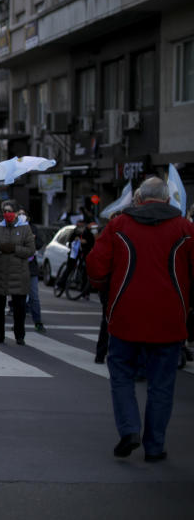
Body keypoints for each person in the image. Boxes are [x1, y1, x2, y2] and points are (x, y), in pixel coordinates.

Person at [87, 177, 194, 462]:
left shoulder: (120, 225)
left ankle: (129, 430)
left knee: (121, 375)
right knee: (162, 384)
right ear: (168, 199)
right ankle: (155, 446)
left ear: (139, 199)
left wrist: (104, 288)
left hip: (125, 315)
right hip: (170, 320)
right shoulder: (185, 228)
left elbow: (96, 266)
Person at [0, 200, 36, 345]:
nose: (7, 214)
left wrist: (15, 249)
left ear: (15, 213)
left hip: (19, 275)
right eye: (5, 211)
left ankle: (20, 335)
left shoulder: (25, 229)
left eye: (10, 211)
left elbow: (30, 251)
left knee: (19, 309)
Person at [18, 208, 46, 333]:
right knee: (19, 297)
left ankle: (38, 321)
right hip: (18, 266)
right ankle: (18, 323)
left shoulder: (33, 228)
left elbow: (40, 243)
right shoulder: (14, 228)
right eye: (19, 214)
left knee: (34, 296)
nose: (22, 216)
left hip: (31, 267)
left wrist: (32, 239)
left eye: (24, 214)